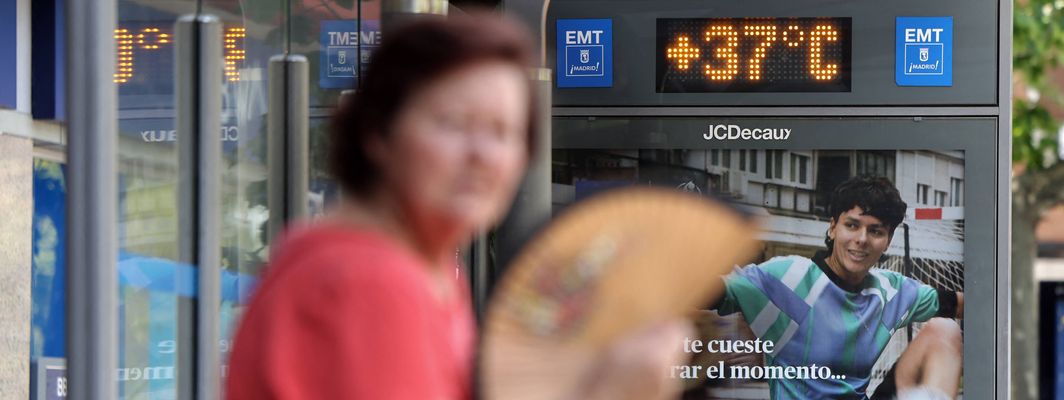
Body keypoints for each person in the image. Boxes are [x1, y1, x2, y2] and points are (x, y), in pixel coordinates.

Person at [226, 14, 688, 400]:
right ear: (378, 133)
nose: (484, 155)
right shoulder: (369, 280)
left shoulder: (412, 266)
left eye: (503, 132)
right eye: (453, 123)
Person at [712, 175, 964, 399]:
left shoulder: (891, 290)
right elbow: (710, 291)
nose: (861, 239)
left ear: (887, 241)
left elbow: (965, 303)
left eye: (875, 231)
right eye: (852, 225)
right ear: (833, 228)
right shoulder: (788, 277)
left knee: (945, 329)